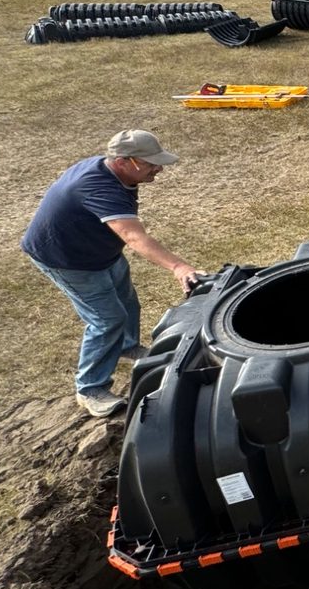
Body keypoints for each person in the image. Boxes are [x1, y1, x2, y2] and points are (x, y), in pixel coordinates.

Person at [22, 130, 205, 417]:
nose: (158, 168)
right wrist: (179, 266)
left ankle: (127, 346)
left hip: (99, 250)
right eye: (150, 163)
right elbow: (134, 237)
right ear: (124, 161)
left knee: (127, 301)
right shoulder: (98, 188)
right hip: (67, 259)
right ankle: (90, 388)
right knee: (107, 320)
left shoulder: (114, 172)